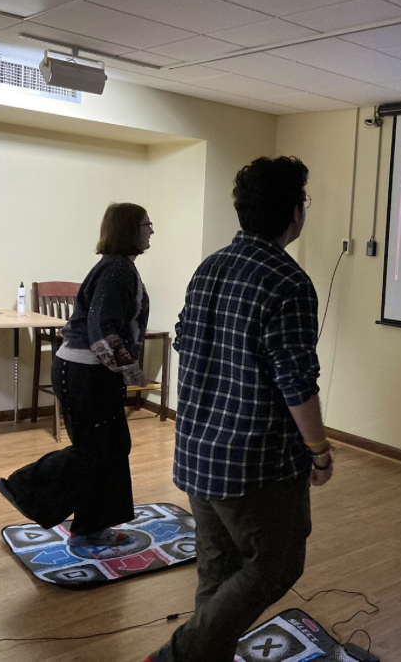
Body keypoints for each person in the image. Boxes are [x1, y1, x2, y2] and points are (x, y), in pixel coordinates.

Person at [145, 157, 333, 662]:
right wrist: (318, 449)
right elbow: (296, 382)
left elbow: (185, 339)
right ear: (295, 213)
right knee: (277, 565)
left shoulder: (210, 267)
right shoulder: (288, 282)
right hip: (256, 465)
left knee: (219, 569)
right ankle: (179, 654)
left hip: (197, 450)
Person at [0, 202, 153, 548]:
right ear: (129, 230)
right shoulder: (117, 271)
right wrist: (130, 371)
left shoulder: (117, 267)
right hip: (86, 372)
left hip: (84, 370)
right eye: (146, 224)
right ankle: (24, 485)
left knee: (111, 447)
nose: (151, 231)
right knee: (95, 449)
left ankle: (91, 527)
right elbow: (101, 328)